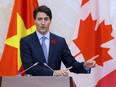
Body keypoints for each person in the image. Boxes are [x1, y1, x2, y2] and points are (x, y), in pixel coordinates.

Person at [20, 5, 96, 76]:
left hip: (56, 84)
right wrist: (53, 73)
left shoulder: (60, 42)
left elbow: (71, 64)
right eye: (40, 19)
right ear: (34, 21)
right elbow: (29, 67)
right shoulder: (26, 41)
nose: (43, 23)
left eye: (46, 19)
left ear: (50, 21)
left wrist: (84, 65)